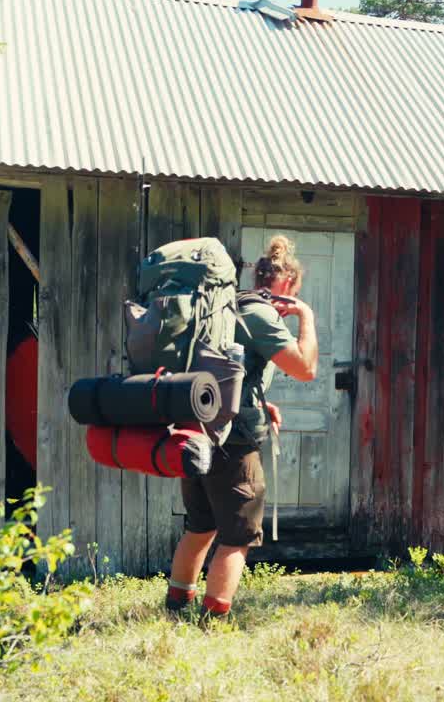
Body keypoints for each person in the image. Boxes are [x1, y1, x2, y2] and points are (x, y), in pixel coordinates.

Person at [165, 235, 319, 622]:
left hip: (196, 426)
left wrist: (259, 401)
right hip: (234, 442)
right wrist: (306, 318)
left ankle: (176, 608)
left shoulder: (223, 308)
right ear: (287, 287)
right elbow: (306, 368)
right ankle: (213, 622)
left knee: (200, 527)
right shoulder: (260, 314)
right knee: (237, 537)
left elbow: (227, 372)